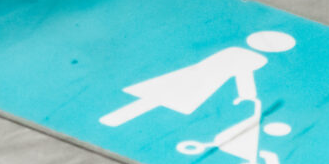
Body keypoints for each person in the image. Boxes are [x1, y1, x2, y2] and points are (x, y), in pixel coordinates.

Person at [99, 30, 295, 127]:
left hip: (197, 76)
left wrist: (246, 95)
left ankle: (117, 117)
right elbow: (243, 75)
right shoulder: (253, 58)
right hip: (203, 80)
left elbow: (241, 74)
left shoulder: (237, 51)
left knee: (157, 98)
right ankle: (117, 117)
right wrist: (247, 95)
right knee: (159, 99)